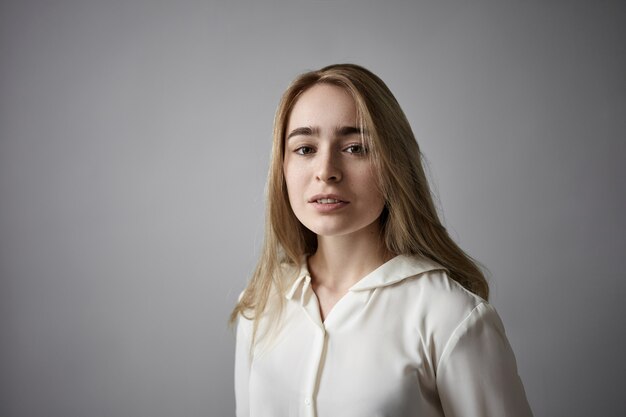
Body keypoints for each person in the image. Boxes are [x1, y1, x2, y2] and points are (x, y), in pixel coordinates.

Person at [231, 63, 533, 417]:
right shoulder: (261, 305)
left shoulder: (449, 317)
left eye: (356, 148)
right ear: (281, 166)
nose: (326, 170)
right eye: (305, 148)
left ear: (394, 163)